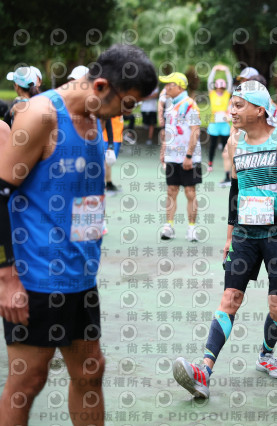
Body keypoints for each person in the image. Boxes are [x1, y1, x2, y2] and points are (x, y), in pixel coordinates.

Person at [0, 44, 156, 425]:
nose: (126, 114)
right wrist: (6, 277)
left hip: (80, 275)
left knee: (90, 371)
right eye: (127, 104)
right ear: (100, 86)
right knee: (28, 381)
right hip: (35, 277)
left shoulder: (94, 115)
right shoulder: (42, 115)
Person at [172, 81, 277, 398]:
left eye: (239, 105)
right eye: (232, 104)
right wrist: (229, 236)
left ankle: (266, 354)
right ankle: (204, 370)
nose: (232, 110)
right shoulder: (234, 142)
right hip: (244, 233)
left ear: (260, 110)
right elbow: (235, 191)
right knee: (230, 298)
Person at [158, 72, 202, 242]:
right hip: (172, 156)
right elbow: (169, 130)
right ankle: (169, 226)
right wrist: (164, 150)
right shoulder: (170, 105)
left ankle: (192, 228)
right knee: (171, 191)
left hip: (189, 158)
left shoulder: (190, 105)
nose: (166, 88)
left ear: (180, 87)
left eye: (169, 84)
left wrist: (189, 156)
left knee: (190, 192)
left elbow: (195, 131)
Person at [206, 64, 233, 173]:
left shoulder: (226, 94)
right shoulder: (212, 94)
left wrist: (227, 71)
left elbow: (230, 82)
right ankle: (210, 163)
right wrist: (213, 70)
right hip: (214, 123)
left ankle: (227, 165)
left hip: (224, 123)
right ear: (216, 87)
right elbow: (209, 82)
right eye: (219, 87)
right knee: (212, 145)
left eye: (222, 88)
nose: (220, 89)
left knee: (226, 145)